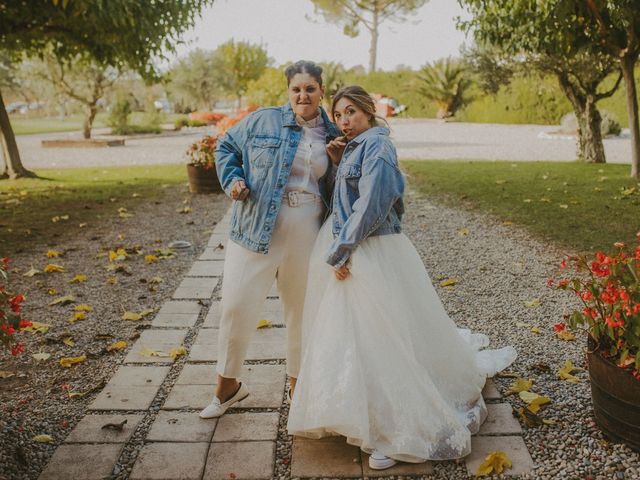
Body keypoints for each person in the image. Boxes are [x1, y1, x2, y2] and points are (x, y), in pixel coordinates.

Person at [287, 85, 517, 469]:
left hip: (370, 248)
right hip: (352, 242)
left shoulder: (379, 147)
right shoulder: (357, 146)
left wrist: (342, 251)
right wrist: (339, 159)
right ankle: (357, 408)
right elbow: (345, 198)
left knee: (384, 333)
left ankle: (395, 428)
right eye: (339, 115)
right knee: (354, 333)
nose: (344, 121)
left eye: (351, 113)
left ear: (368, 112)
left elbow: (373, 205)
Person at [199, 61, 341, 419]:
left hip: (308, 232)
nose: (303, 95)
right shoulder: (263, 120)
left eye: (310, 88)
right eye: (296, 89)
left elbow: (345, 184)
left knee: (301, 312)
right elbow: (225, 148)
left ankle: (297, 388)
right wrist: (232, 180)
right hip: (255, 227)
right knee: (236, 305)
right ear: (288, 92)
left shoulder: (336, 130)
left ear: (322, 90)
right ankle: (227, 387)